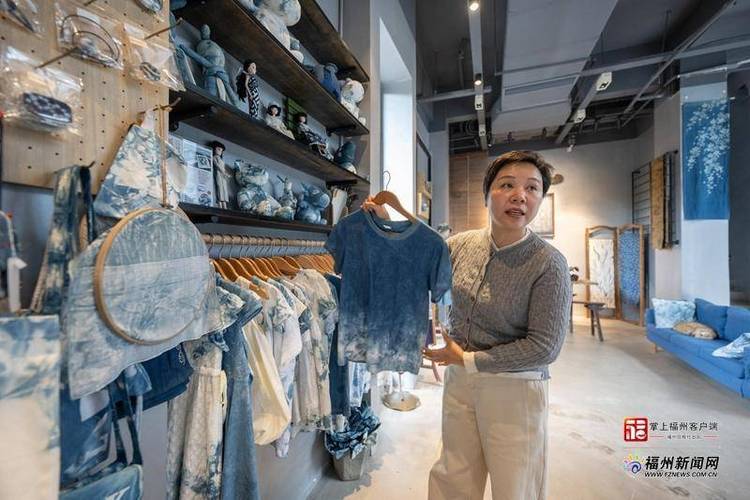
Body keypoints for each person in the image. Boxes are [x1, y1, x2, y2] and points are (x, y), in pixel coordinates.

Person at [363, 150, 572, 500]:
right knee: (453, 474)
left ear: (540, 198)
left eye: (532, 188)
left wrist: (467, 359)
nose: (520, 196)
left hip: (515, 388)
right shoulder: (461, 245)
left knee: (516, 484)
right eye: (507, 185)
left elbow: (544, 347)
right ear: (487, 193)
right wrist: (384, 224)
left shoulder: (549, 264)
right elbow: (415, 265)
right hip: (460, 380)